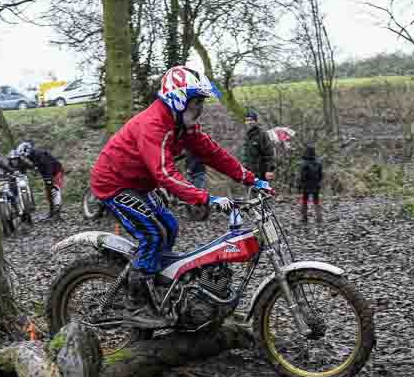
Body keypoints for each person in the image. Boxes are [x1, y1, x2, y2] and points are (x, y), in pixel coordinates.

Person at [90, 65, 273, 329]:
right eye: (196, 101)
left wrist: (251, 179)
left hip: (138, 183)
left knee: (171, 226)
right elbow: (166, 174)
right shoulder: (155, 125)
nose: (200, 108)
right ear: (177, 99)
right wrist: (205, 198)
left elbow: (214, 154)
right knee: (153, 233)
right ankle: (136, 305)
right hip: (115, 184)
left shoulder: (182, 126)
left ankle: (161, 287)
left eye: (201, 101)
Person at [15, 140, 64, 219]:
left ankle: (57, 214)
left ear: (27, 151)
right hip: (47, 174)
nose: (23, 157)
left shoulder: (39, 154)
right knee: (48, 194)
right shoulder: (31, 156)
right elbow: (38, 166)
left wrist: (49, 178)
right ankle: (51, 212)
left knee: (55, 191)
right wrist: (35, 169)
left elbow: (48, 165)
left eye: (23, 154)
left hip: (56, 172)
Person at [242, 109, 276, 182]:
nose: (249, 122)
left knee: (262, 192)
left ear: (256, 121)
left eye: (251, 120)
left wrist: (269, 170)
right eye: (247, 120)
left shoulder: (262, 134)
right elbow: (245, 156)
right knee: (251, 192)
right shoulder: (247, 136)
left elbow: (269, 154)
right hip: (249, 173)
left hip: (261, 173)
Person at [298, 145, 323, 224]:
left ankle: (304, 217)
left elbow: (302, 176)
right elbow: (321, 175)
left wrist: (300, 185)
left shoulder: (304, 163)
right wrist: (318, 182)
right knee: (316, 201)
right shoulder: (318, 162)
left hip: (306, 185)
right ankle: (319, 217)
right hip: (316, 184)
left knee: (305, 200)